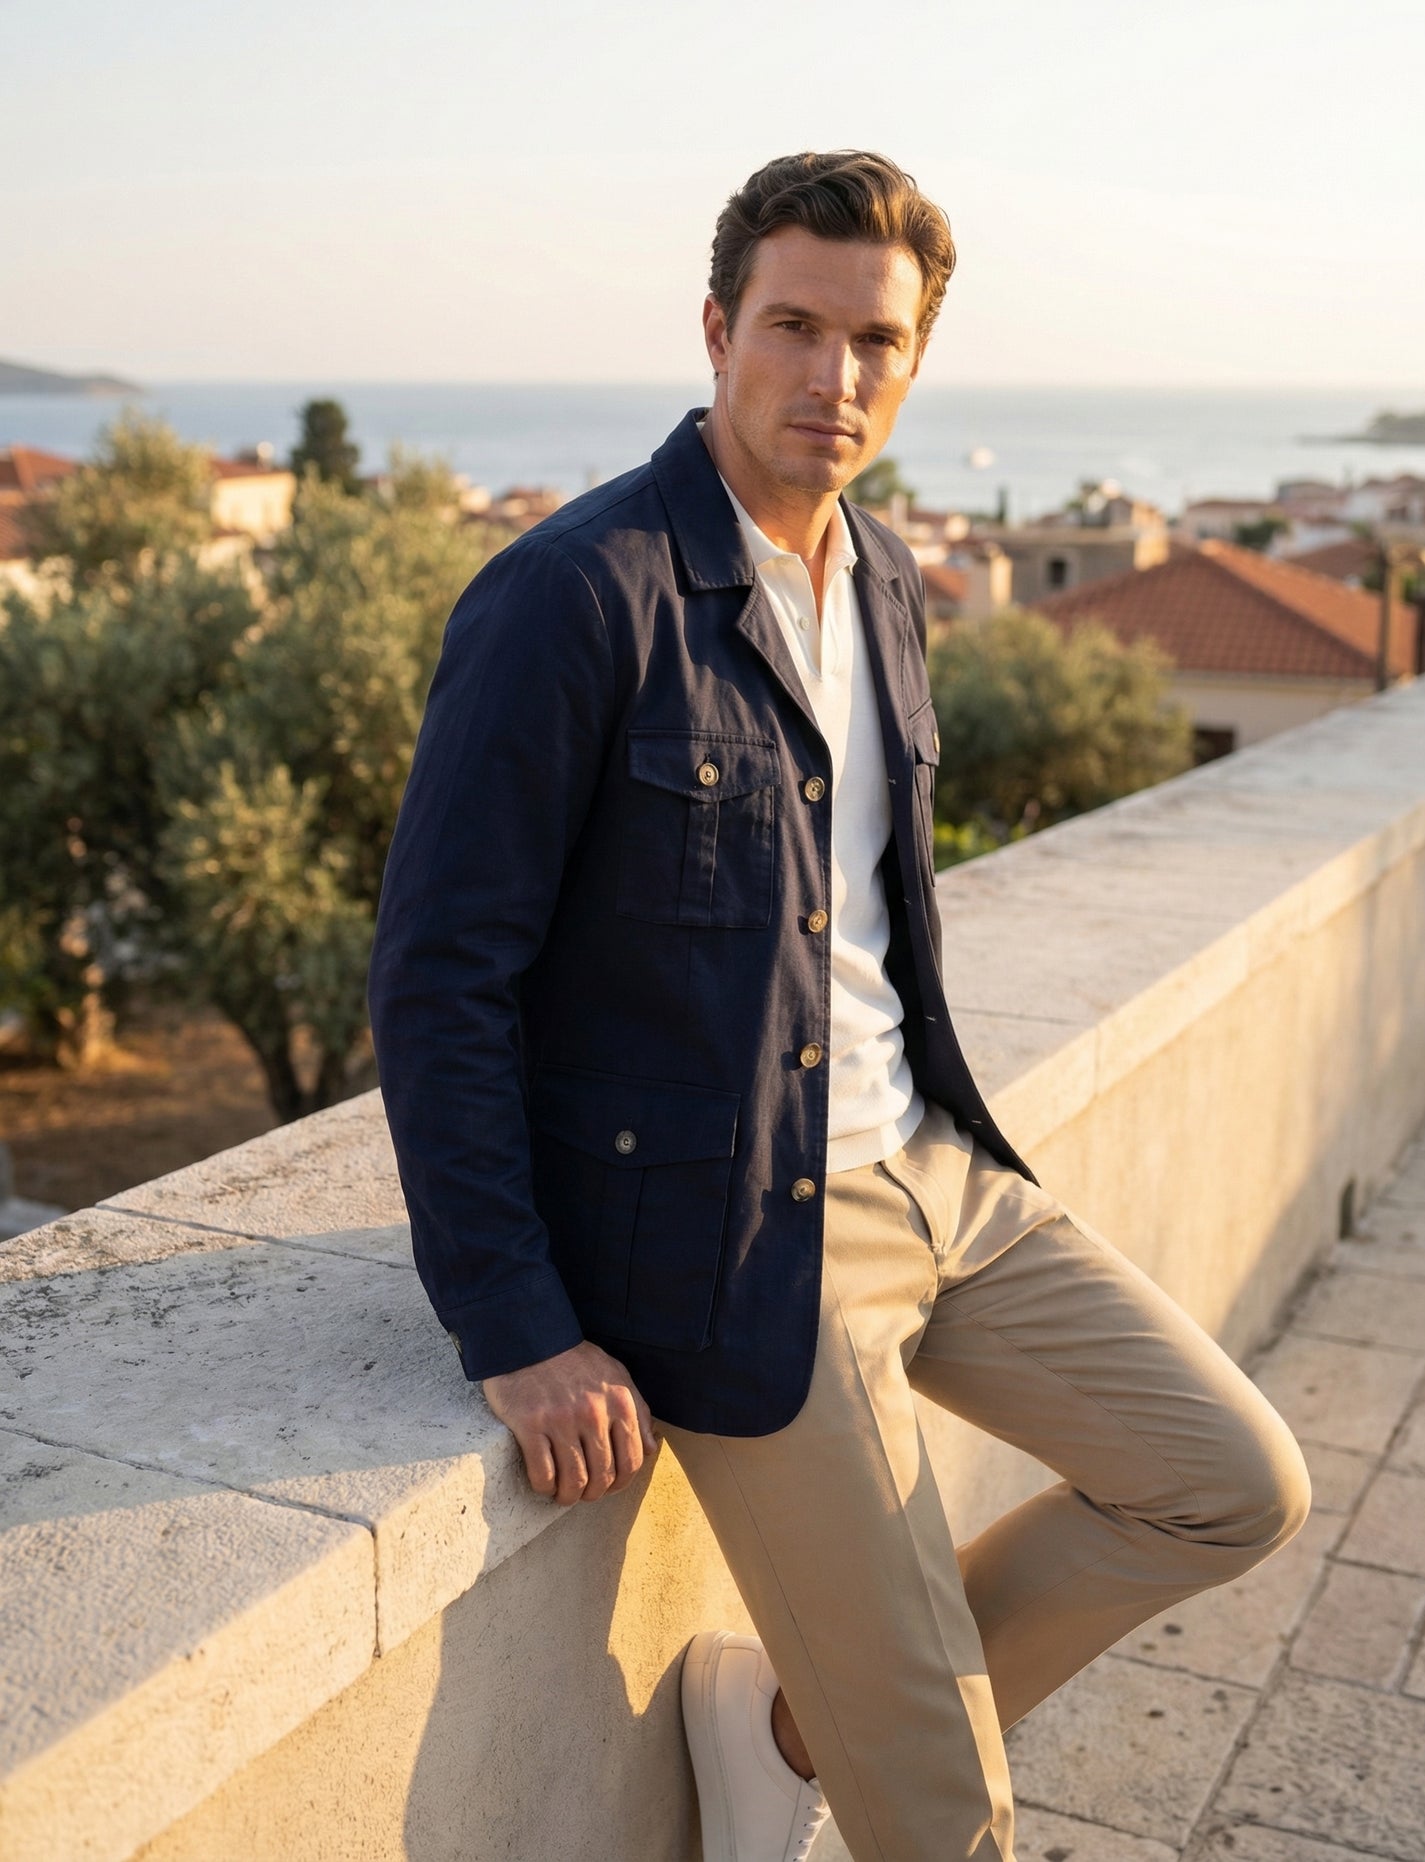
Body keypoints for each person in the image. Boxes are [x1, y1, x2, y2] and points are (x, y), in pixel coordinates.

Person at [367, 150, 1312, 1862]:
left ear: (915, 359)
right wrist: (514, 1322)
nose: (835, 374)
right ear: (716, 330)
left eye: (877, 340)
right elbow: (439, 976)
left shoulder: (881, 577)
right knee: (948, 1815)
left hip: (940, 1173)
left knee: (1236, 1482)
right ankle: (872, 1724)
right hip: (738, 1239)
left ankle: (799, 1722)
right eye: (794, 327)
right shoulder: (576, 595)